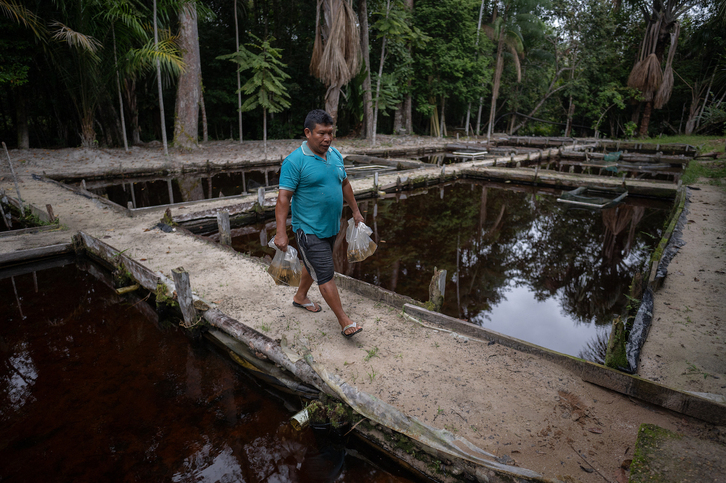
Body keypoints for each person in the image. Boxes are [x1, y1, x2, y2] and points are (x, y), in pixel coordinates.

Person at [274, 109, 365, 338]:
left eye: (330, 133)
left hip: (332, 227)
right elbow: (283, 198)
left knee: (310, 263)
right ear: (308, 133)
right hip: (308, 229)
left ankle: (300, 297)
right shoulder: (295, 161)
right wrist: (281, 233)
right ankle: (344, 322)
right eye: (321, 133)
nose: (327, 138)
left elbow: (344, 183)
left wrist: (355, 211)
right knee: (325, 272)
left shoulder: (335, 154)